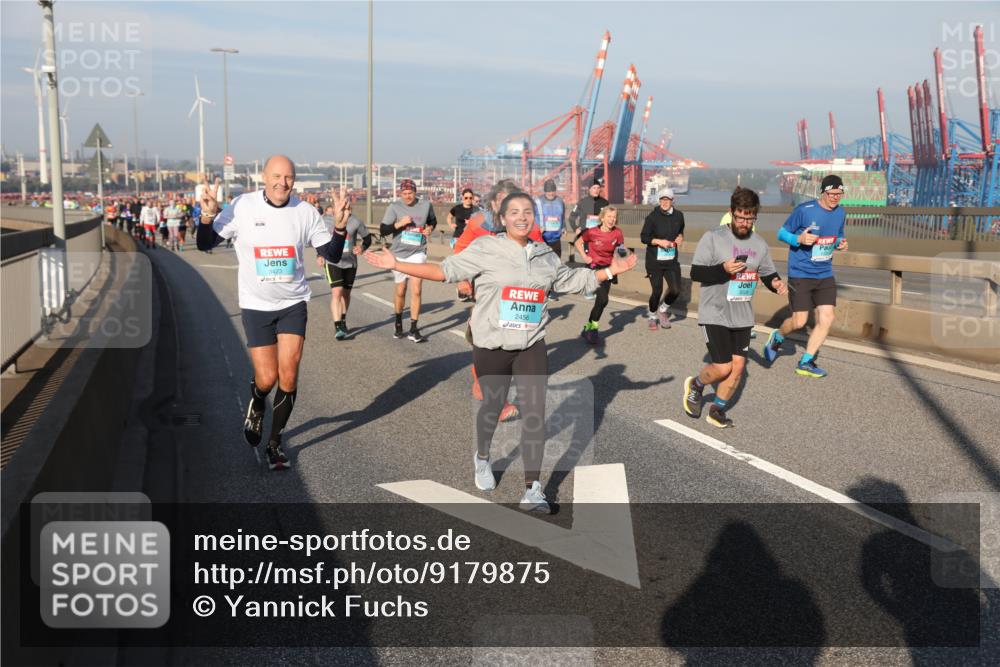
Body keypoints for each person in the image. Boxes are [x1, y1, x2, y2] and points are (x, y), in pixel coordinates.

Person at [365, 191, 637, 512]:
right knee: (493, 407)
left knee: (534, 414)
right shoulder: (486, 248)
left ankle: (533, 489)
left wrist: (611, 271)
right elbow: (446, 271)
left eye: (527, 212)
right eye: (514, 212)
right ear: (504, 219)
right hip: (492, 343)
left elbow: (571, 279)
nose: (522, 217)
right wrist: (397, 263)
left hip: (531, 343)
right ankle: (483, 456)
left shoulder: (544, 255)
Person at [196, 154, 349, 470]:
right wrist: (208, 216)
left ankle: (276, 444)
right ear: (264, 178)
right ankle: (257, 402)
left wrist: (341, 227)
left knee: (289, 374)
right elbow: (204, 243)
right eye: (277, 176)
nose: (283, 183)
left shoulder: (304, 212)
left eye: (289, 177)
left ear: (295, 180)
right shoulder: (243, 207)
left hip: (293, 303)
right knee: (267, 378)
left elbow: (332, 254)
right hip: (256, 305)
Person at [683, 187, 787, 428]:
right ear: (731, 213)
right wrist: (723, 269)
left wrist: (775, 283)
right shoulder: (713, 237)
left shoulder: (759, 244)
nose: (744, 223)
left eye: (750, 218)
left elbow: (767, 271)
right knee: (723, 366)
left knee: (738, 367)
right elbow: (696, 272)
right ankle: (696, 385)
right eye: (740, 217)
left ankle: (717, 409)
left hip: (742, 314)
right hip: (714, 311)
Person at [453, 179, 544, 422]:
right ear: (493, 202)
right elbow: (460, 248)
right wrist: (463, 279)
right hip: (487, 292)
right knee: (489, 342)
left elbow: (542, 256)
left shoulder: (528, 225)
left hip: (518, 294)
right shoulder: (478, 222)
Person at [763, 174, 848, 377]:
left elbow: (839, 236)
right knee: (799, 322)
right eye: (832, 193)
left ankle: (806, 361)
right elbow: (781, 233)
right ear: (823, 192)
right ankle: (778, 337)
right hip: (801, 273)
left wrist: (841, 243)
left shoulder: (841, 213)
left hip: (825, 273)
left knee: (827, 317)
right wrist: (798, 238)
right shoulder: (804, 210)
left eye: (839, 193)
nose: (836, 197)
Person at [379, 178, 437, 343]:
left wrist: (429, 228)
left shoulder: (425, 205)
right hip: (398, 254)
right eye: (404, 194)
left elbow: (432, 220)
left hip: (418, 251)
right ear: (400, 193)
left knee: (417, 289)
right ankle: (398, 324)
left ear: (415, 192)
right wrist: (399, 224)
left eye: (410, 193)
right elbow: (383, 230)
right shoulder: (394, 207)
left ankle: (413, 328)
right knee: (401, 290)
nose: (407, 196)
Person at [315, 199, 371, 340]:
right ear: (334, 208)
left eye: (348, 207)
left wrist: (362, 247)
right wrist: (320, 254)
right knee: (337, 291)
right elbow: (318, 239)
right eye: (341, 207)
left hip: (350, 262)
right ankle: (338, 325)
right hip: (332, 262)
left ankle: (343, 319)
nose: (345, 209)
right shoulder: (325, 220)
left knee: (346, 294)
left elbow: (368, 238)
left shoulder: (355, 221)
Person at [574, 205, 626, 345]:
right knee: (603, 299)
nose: (612, 219)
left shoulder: (617, 233)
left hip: (608, 268)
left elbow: (620, 249)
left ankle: (588, 328)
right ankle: (593, 329)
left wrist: (622, 256)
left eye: (614, 217)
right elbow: (578, 242)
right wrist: (585, 257)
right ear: (602, 218)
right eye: (609, 216)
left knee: (602, 301)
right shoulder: (592, 232)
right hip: (594, 268)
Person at [640, 187, 685, 331]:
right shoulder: (652, 217)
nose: (664, 202)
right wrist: (659, 241)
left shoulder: (679, 216)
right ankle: (652, 316)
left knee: (676, 290)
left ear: (673, 200)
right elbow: (644, 237)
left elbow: (680, 231)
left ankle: (663, 309)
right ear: (659, 200)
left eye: (667, 199)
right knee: (657, 291)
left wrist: (680, 237)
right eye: (662, 199)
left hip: (671, 260)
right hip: (655, 262)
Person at [567, 178, 609, 264]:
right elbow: (571, 218)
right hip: (586, 236)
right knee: (590, 260)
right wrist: (575, 228)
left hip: (600, 236)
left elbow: (608, 219)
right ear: (589, 189)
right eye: (594, 188)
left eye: (598, 188)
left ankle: (597, 274)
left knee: (600, 261)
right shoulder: (582, 202)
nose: (596, 190)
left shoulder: (605, 203)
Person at [447, 188, 477, 300]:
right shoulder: (457, 208)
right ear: (462, 198)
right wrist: (451, 225)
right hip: (458, 238)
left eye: (470, 198)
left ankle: (470, 288)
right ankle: (462, 290)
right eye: (466, 198)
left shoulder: (476, 210)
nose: (468, 200)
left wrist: (472, 223)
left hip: (471, 240)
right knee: (460, 264)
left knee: (470, 264)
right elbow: (449, 217)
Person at [534, 179, 566, 259]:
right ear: (545, 191)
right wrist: (537, 229)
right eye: (549, 191)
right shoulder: (538, 201)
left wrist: (563, 227)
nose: (551, 193)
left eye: (553, 191)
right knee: (544, 261)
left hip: (556, 237)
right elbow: (532, 217)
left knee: (557, 260)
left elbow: (563, 216)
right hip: (542, 237)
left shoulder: (560, 201)